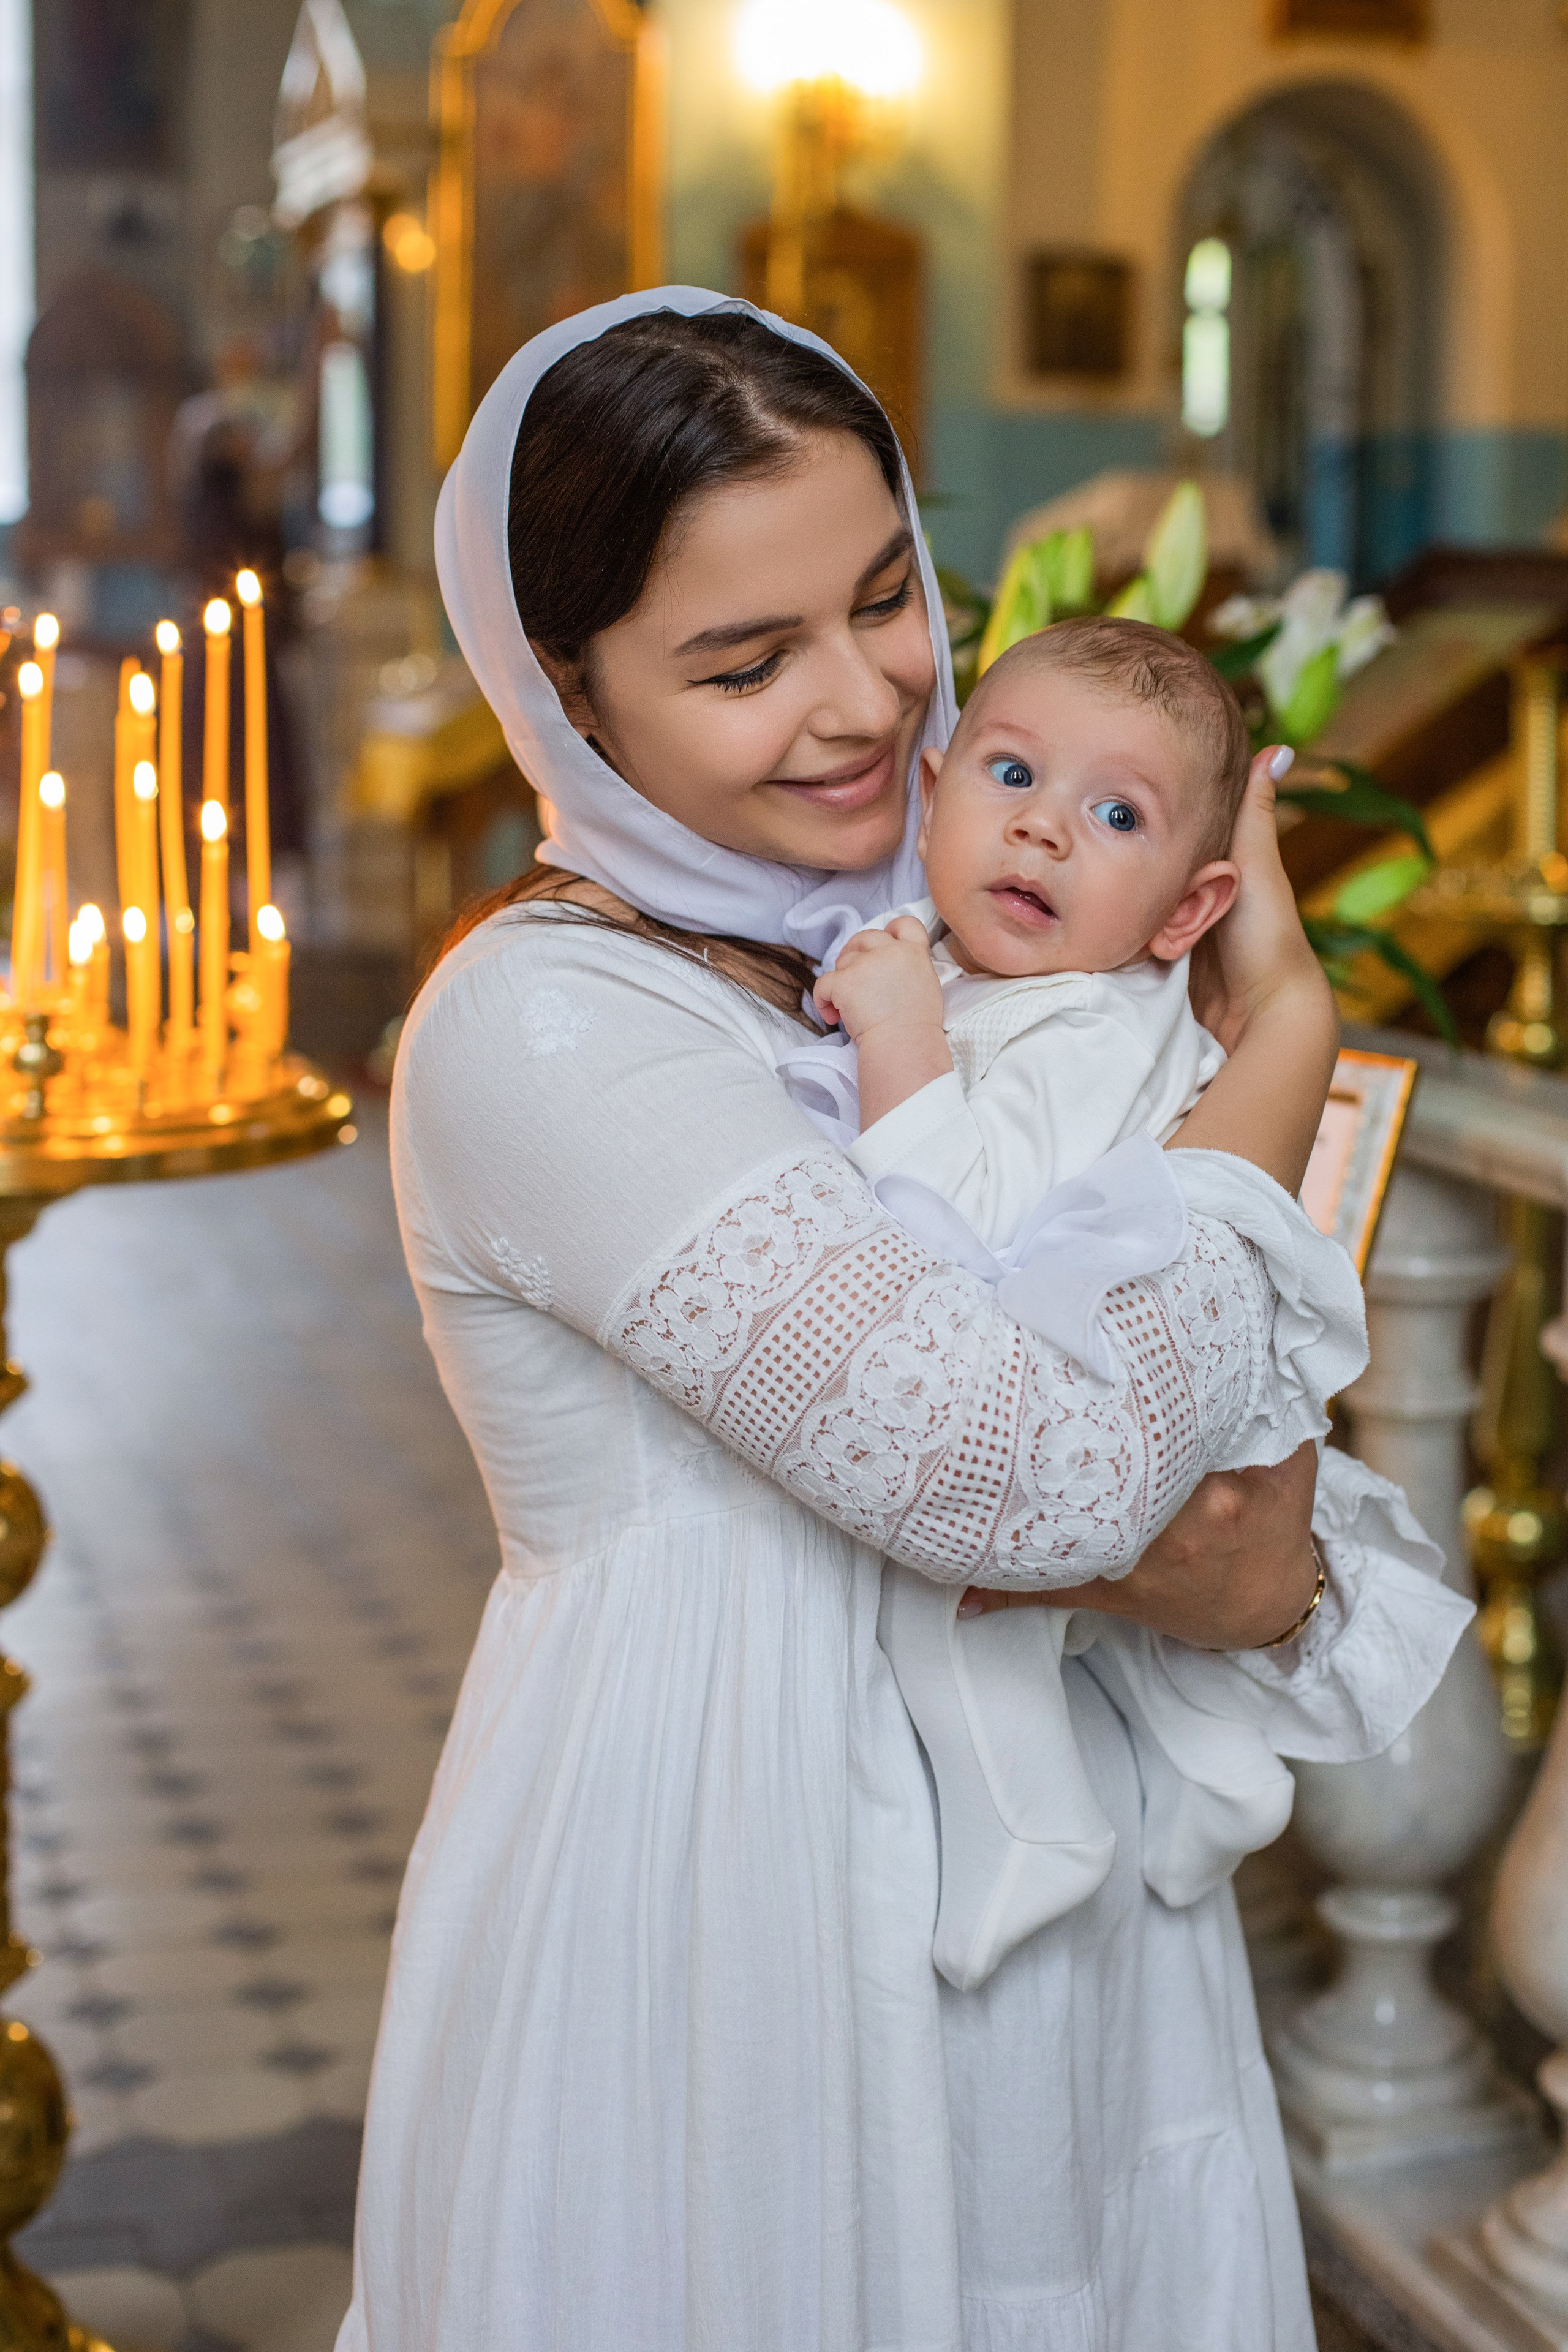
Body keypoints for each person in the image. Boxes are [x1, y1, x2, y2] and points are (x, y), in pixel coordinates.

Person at [336, 288, 1448, 2352]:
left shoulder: (974, 931)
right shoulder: (549, 1018)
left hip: (1062, 1908)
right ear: (568, 695)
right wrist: (1273, 1050)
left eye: (881, 602)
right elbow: (1038, 1483)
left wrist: (1249, 1569)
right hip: (730, 1884)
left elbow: (1248, 1525)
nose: (863, 705)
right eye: (748, 663)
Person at [797, 617, 1467, 1994]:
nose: (1040, 833)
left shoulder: (1084, 1030)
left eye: (1113, 814)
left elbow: (963, 1226)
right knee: (1080, 1633)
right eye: (1009, 777)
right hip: (1084, 1381)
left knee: (951, 1608)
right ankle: (1215, 1771)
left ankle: (1030, 1825)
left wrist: (896, 1034)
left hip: (1079, 1402)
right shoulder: (987, 974)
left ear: (1183, 914)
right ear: (928, 799)